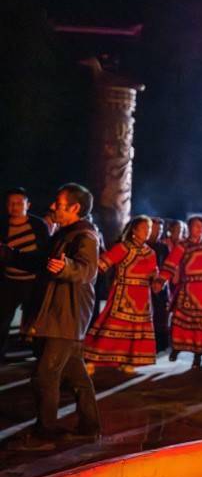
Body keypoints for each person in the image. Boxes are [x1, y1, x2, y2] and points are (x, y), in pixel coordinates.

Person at [4, 183, 101, 450]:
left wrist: (67, 266)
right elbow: (40, 262)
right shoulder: (64, 234)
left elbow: (87, 271)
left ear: (75, 208)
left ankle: (45, 432)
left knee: (45, 375)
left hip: (67, 315)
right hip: (58, 314)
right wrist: (10, 254)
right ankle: (90, 428)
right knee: (76, 375)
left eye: (59, 204)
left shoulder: (86, 237)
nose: (53, 207)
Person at [83, 215, 158, 373]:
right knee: (110, 327)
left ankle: (128, 361)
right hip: (123, 295)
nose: (148, 231)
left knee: (134, 333)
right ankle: (92, 360)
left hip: (142, 298)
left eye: (149, 229)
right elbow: (102, 264)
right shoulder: (123, 248)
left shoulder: (151, 252)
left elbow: (153, 275)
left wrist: (158, 279)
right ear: (134, 231)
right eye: (144, 228)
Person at [155, 216, 202, 370]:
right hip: (189, 289)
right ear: (189, 228)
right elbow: (170, 265)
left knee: (201, 326)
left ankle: (198, 356)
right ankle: (177, 348)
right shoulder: (182, 246)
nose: (200, 229)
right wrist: (160, 281)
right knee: (181, 322)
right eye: (196, 226)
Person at [0, 187, 50, 360]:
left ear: (28, 205)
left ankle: (40, 356)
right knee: (2, 319)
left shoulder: (38, 225)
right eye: (11, 203)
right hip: (9, 281)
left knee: (37, 320)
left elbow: (45, 252)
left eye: (19, 203)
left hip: (33, 281)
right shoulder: (2, 225)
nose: (15, 207)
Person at [147, 217, 171, 353]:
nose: (157, 232)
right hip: (146, 285)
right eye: (155, 229)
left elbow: (168, 266)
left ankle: (161, 344)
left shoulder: (163, 247)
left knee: (162, 314)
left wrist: (162, 281)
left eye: (160, 229)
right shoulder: (144, 247)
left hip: (161, 284)